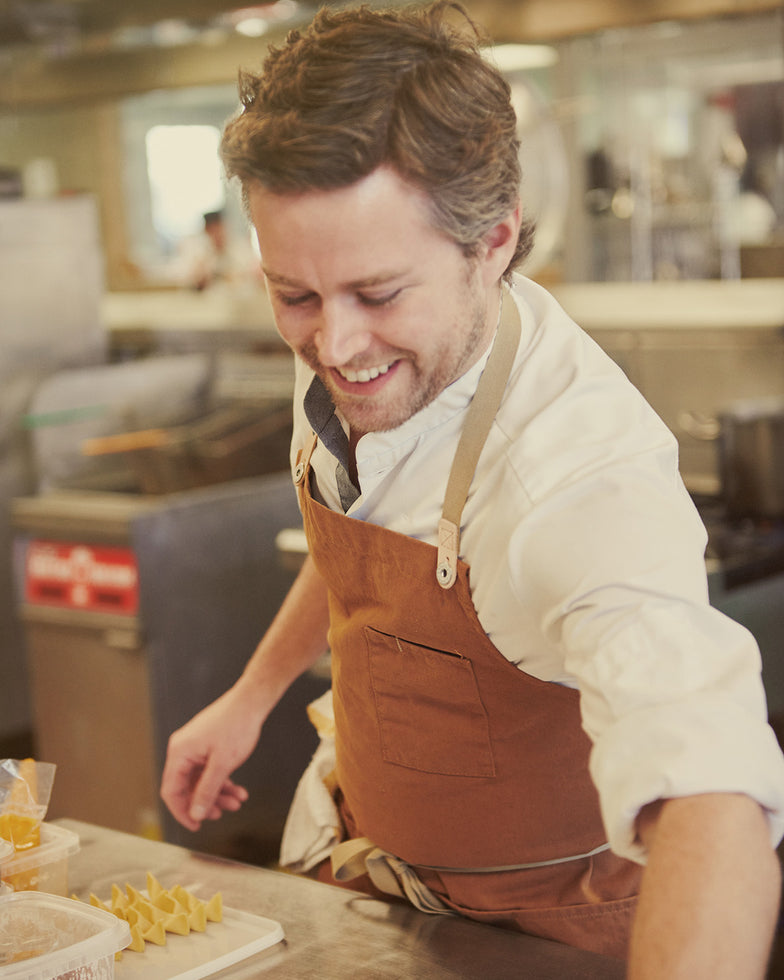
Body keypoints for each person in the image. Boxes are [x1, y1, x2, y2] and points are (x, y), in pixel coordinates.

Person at [160, 3, 784, 974]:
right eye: (293, 295)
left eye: (377, 293)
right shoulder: (357, 333)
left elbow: (711, 791)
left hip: (545, 931)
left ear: (491, 243)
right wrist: (252, 692)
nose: (335, 346)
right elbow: (367, 532)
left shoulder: (579, 479)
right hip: (377, 881)